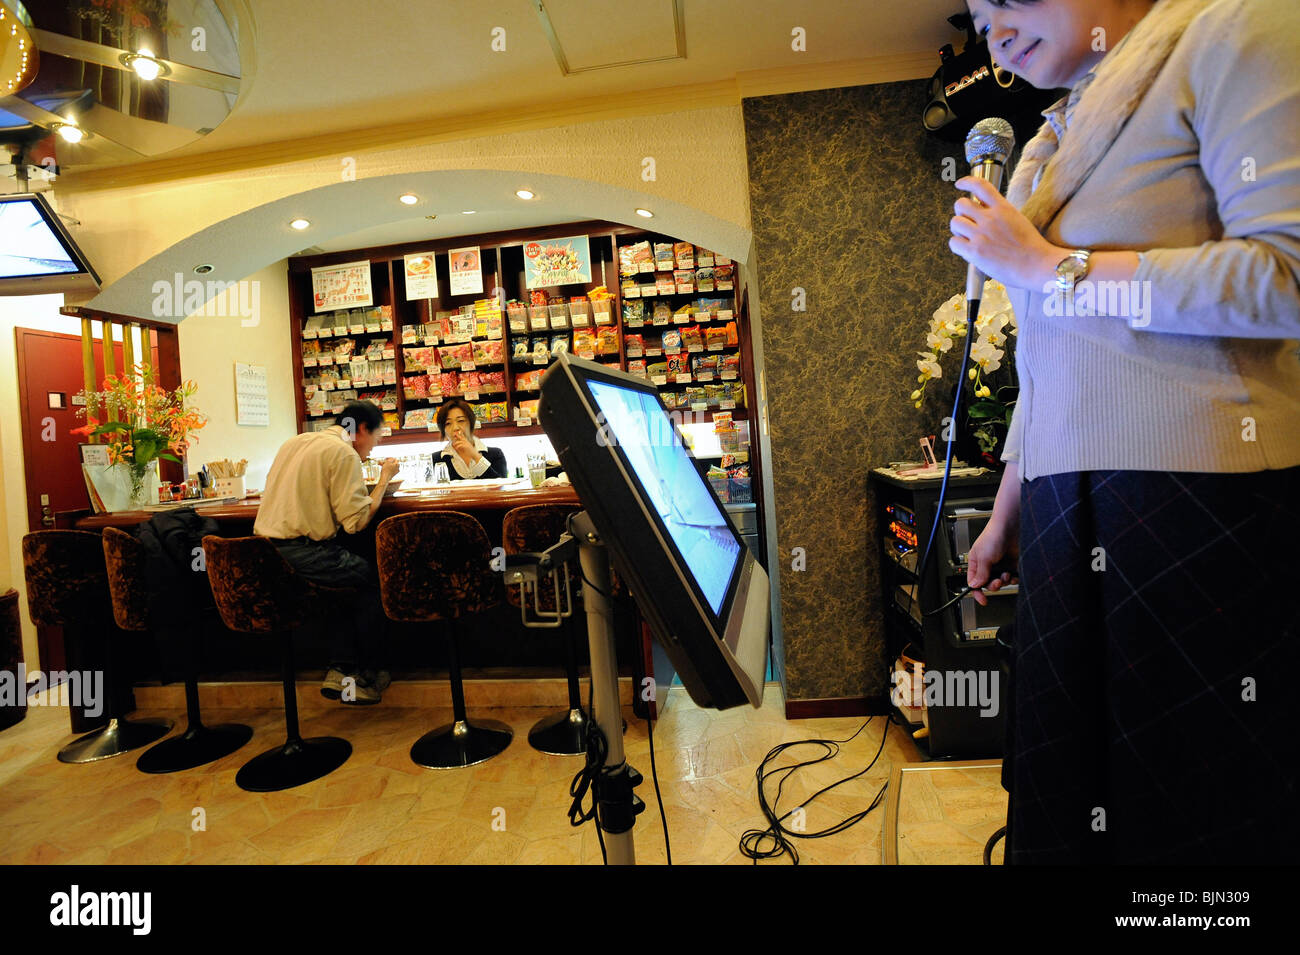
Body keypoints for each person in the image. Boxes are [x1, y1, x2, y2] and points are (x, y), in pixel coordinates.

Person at [953, 0, 1300, 863]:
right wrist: (1008, 514)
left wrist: (1050, 268)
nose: (995, 27)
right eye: (979, 8)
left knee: (1189, 812)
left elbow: (1287, 276)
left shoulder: (1232, 32)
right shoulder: (1049, 138)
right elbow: (1051, 366)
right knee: (1081, 806)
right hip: (1070, 514)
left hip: (1198, 501)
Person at [254, 400, 399, 704]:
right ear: (361, 429)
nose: (374, 447)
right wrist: (384, 479)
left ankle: (341, 669)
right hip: (301, 552)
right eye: (376, 438)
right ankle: (365, 675)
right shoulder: (343, 452)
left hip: (262, 554)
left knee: (342, 583)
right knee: (373, 580)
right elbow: (356, 522)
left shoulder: (295, 442)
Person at [434, 398, 508, 480]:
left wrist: (475, 455)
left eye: (461, 420)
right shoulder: (436, 460)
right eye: (448, 423)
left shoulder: (495, 454)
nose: (455, 428)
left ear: (471, 423)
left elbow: (501, 488)